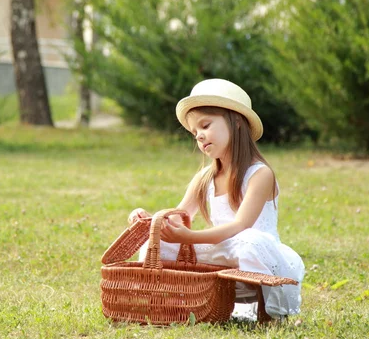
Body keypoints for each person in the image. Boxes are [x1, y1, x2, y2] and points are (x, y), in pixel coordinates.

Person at [128, 78, 305, 319]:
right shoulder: (205, 178)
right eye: (194, 132)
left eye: (205, 125)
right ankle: (169, 301)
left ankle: (264, 311)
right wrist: (151, 222)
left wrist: (191, 237)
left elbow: (239, 226)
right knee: (156, 244)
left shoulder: (260, 174)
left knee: (250, 241)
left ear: (237, 123)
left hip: (253, 251)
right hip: (221, 250)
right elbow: (180, 217)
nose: (199, 136)